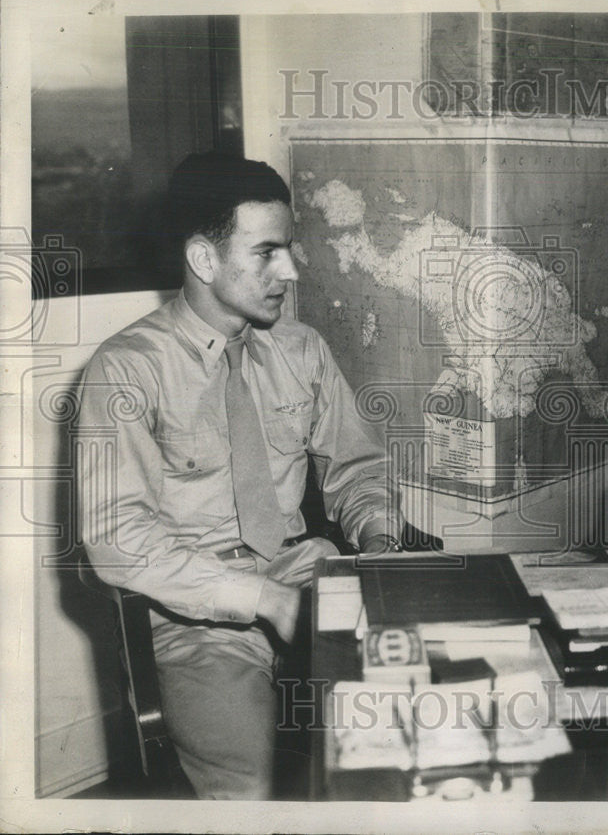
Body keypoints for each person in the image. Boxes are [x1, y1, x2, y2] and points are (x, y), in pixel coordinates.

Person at [77, 152, 404, 799]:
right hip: (195, 605)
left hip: (304, 565)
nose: (288, 270)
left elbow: (358, 467)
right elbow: (117, 537)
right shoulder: (125, 370)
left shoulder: (301, 348)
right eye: (267, 253)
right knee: (245, 788)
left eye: (289, 250)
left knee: (411, 728)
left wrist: (380, 548)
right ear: (204, 260)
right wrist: (267, 601)